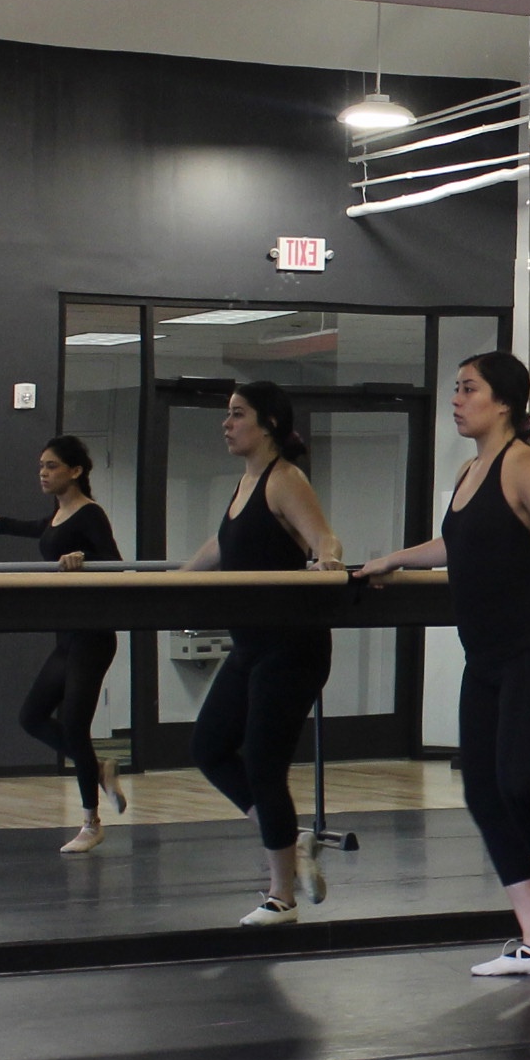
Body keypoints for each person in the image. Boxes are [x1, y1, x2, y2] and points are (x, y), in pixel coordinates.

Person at [358, 352, 530, 977]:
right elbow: (458, 543)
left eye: (468, 389)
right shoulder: (468, 469)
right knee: (482, 790)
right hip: (484, 653)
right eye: (454, 389)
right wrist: (394, 559)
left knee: (519, 782)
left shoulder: (524, 464)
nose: (456, 399)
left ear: (503, 401)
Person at [174, 380, 345, 927]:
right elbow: (223, 546)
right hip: (252, 643)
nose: (226, 424)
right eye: (227, 414)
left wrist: (325, 561)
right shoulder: (245, 483)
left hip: (292, 644)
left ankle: (281, 898)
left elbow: (325, 539)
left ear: (267, 423)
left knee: (265, 766)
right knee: (209, 746)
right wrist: (172, 584)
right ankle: (289, 842)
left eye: (237, 414)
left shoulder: (285, 480)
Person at [0, 433, 127, 852]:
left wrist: (84, 562)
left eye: (51, 466)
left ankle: (91, 822)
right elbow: (39, 529)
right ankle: (99, 768)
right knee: (32, 716)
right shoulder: (57, 514)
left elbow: (117, 565)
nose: (43, 472)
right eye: (41, 466)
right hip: (67, 636)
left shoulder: (90, 515)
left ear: (75, 471)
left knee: (73, 725)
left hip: (92, 637)